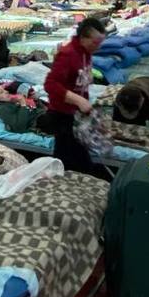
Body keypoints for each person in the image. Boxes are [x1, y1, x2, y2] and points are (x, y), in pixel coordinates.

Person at [43, 17, 107, 177]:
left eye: (100, 43)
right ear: (83, 38)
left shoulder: (86, 53)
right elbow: (50, 85)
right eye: (95, 43)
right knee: (73, 159)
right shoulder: (68, 54)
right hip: (61, 115)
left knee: (75, 158)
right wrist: (79, 100)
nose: (98, 47)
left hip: (76, 114)